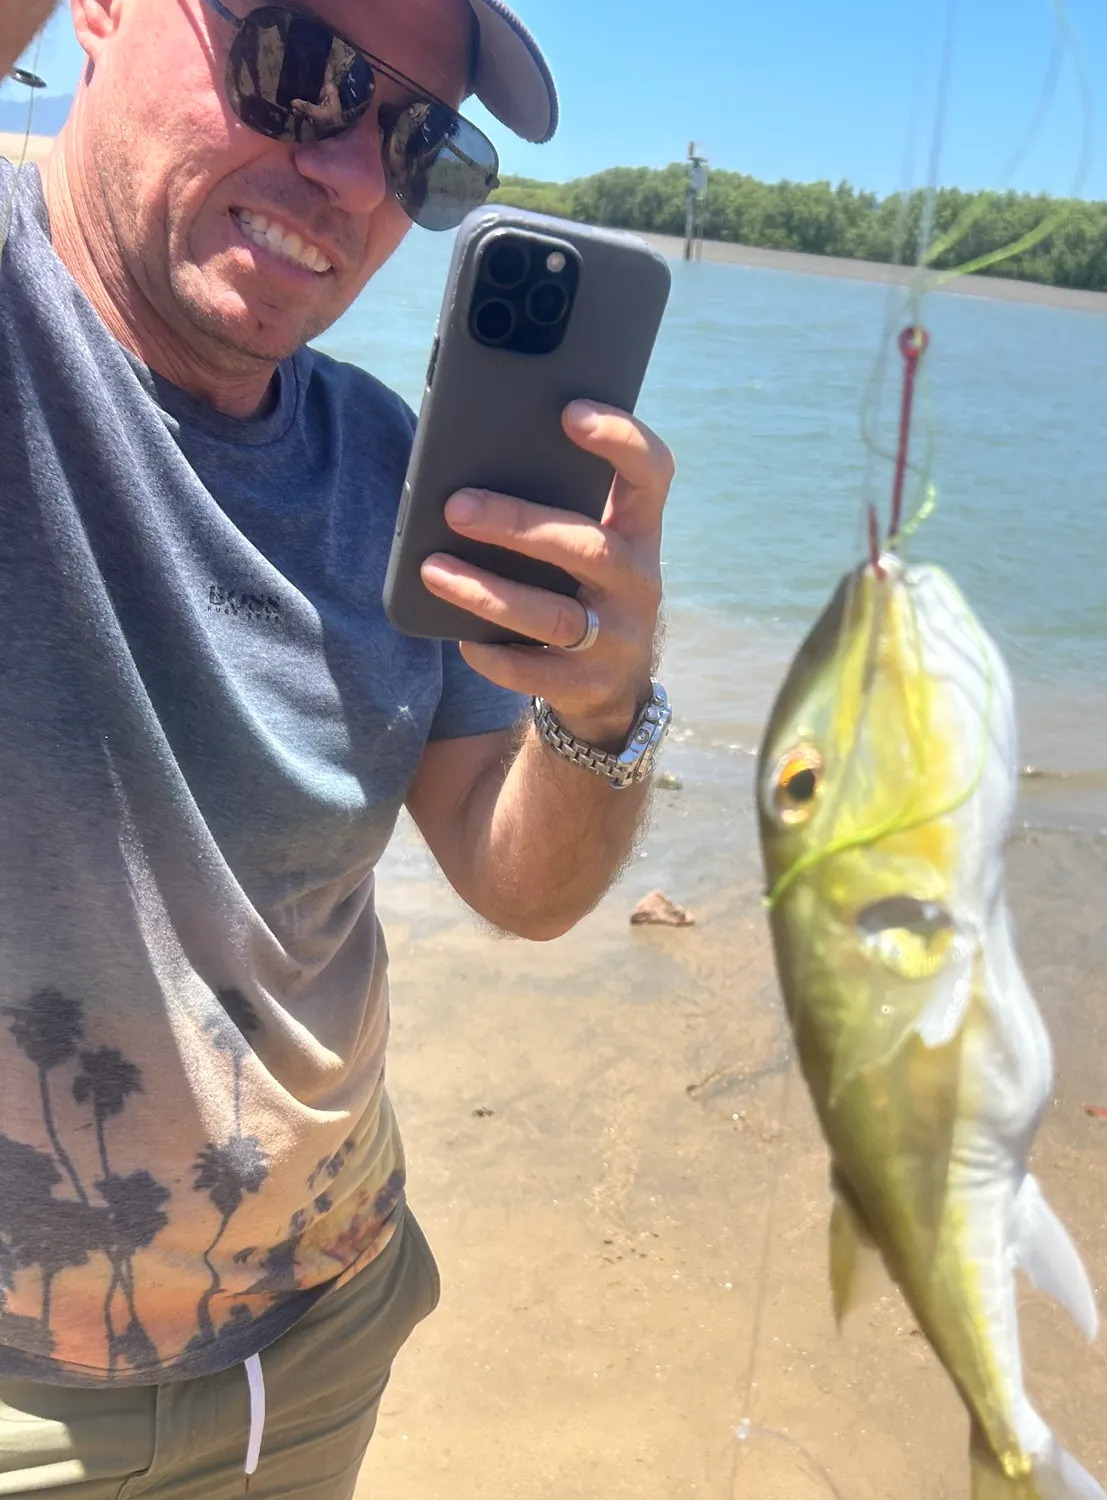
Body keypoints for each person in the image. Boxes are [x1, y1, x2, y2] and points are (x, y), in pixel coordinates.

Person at [0, 0, 675, 1494]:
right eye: (301, 71)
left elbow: (520, 880)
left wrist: (601, 710)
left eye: (418, 141)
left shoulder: (389, 466)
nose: (360, 181)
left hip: (322, 1334)